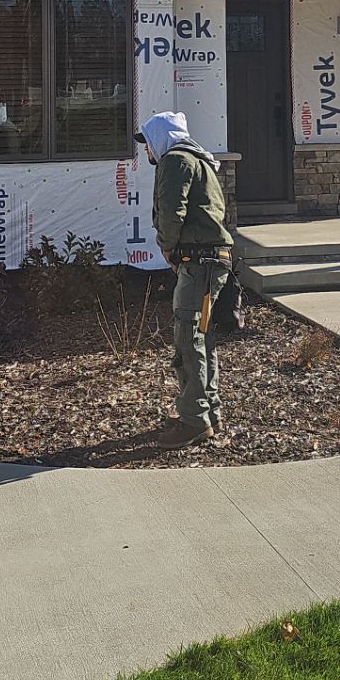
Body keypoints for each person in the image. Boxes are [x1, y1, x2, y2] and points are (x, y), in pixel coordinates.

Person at [138, 110, 233, 448]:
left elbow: (171, 209)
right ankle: (208, 411)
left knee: (188, 335)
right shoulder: (200, 159)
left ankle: (194, 420)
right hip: (212, 263)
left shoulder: (176, 160)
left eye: (148, 143)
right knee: (202, 334)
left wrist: (167, 248)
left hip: (199, 265)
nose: (146, 151)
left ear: (161, 139)